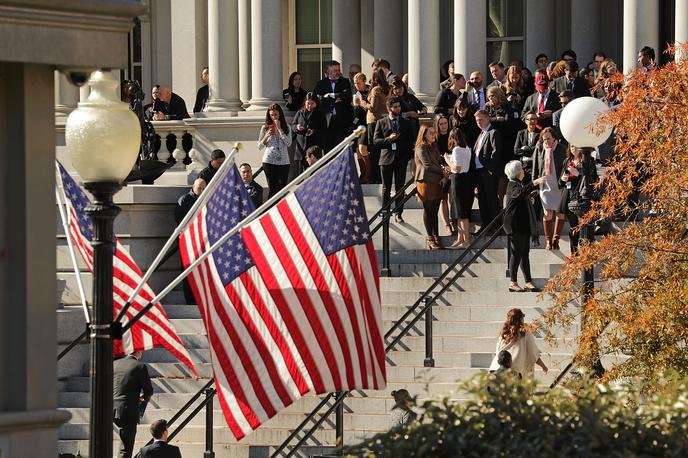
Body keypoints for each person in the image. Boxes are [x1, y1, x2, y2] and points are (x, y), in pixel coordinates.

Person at [503, 160, 546, 292]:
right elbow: (519, 194)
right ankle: (513, 282)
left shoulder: (518, 185)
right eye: (521, 169)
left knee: (524, 253)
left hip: (522, 224)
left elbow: (521, 196)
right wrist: (534, 183)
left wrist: (529, 198)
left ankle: (528, 281)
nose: (523, 171)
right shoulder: (512, 185)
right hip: (515, 225)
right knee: (516, 253)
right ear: (517, 172)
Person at [373, 97, 413, 223]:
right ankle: (385, 211)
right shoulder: (381, 122)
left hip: (401, 159)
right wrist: (389, 139)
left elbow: (410, 141)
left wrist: (406, 157)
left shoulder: (406, 122)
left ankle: (398, 212)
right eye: (395, 107)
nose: (398, 109)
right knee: (386, 188)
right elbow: (375, 141)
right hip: (386, 159)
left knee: (400, 188)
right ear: (389, 108)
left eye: (399, 106)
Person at [113, 350, 153, 458]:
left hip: (112, 407)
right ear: (139, 352)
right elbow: (148, 390)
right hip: (128, 410)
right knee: (126, 448)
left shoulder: (115, 364)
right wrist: (142, 399)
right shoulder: (140, 366)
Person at [532, 127, 567, 250]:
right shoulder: (540, 148)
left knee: (560, 212)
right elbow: (535, 166)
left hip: (559, 183)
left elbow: (567, 165)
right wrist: (535, 184)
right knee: (547, 213)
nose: (546, 141)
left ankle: (556, 240)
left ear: (554, 138)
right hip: (545, 183)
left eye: (548, 139)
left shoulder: (562, 148)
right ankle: (548, 241)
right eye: (544, 139)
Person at [415, 124, 449, 250]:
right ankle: (430, 238)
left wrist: (445, 168)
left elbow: (439, 161)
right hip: (426, 181)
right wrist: (443, 172)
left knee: (434, 211)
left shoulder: (434, 146)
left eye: (434, 132)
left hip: (436, 182)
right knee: (428, 210)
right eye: (431, 133)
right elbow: (428, 165)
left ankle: (436, 235)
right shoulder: (421, 147)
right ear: (424, 134)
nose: (434, 135)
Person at [489, 308, 548, 377]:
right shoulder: (524, 333)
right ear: (520, 319)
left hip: (494, 369)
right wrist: (543, 366)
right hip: (511, 371)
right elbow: (533, 354)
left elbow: (498, 352)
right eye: (522, 317)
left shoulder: (504, 333)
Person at [357, 68, 391, 184]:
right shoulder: (388, 89)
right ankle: (380, 176)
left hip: (374, 121)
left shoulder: (376, 89)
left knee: (374, 150)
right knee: (381, 149)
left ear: (375, 78)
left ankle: (375, 177)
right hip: (385, 120)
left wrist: (361, 102)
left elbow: (373, 107)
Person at [514, 111, 542, 247]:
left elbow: (538, 150)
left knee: (534, 194)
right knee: (524, 193)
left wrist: (526, 149)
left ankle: (535, 222)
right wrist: (528, 149)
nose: (532, 121)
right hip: (523, 167)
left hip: (535, 166)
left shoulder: (540, 134)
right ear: (525, 121)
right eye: (530, 119)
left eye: (535, 119)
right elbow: (516, 150)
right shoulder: (520, 133)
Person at [473, 109, 502, 232]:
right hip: (479, 172)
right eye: (477, 120)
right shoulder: (481, 133)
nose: (478, 122)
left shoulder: (493, 132)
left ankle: (496, 226)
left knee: (491, 200)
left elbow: (497, 152)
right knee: (483, 200)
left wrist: (490, 169)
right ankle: (486, 225)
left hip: (487, 172)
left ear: (488, 118)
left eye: (481, 119)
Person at [313, 60, 353, 149]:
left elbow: (347, 96)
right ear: (328, 72)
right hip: (326, 121)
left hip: (341, 120)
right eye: (335, 71)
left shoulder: (345, 82)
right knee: (328, 148)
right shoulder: (321, 84)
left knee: (339, 148)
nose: (338, 72)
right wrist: (336, 99)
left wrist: (332, 95)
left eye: (339, 70)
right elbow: (319, 100)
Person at [446, 128, 474, 249]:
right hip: (466, 179)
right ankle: (460, 238)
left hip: (458, 179)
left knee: (461, 211)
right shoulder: (467, 149)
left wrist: (447, 159)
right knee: (458, 210)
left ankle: (466, 240)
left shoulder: (457, 149)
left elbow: (456, 168)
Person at [258, 103, 292, 197]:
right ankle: (271, 209)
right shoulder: (264, 128)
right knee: (272, 189)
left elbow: (288, 143)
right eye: (271, 115)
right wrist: (266, 136)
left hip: (284, 162)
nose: (274, 117)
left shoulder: (287, 127)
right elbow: (259, 146)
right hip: (269, 161)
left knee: (282, 189)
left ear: (280, 114)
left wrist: (280, 129)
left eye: (276, 115)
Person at [291, 92, 326, 175]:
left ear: (316, 103)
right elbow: (293, 126)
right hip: (301, 148)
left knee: (314, 173)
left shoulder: (320, 114)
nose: (310, 106)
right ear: (305, 103)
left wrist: (314, 131)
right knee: (300, 174)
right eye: (308, 103)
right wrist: (297, 127)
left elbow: (323, 129)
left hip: (313, 148)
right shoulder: (300, 113)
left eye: (312, 103)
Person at [434, 114, 453, 235]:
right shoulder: (434, 138)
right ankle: (447, 224)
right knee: (443, 199)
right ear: (437, 125)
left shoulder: (453, 135)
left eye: (445, 123)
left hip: (453, 169)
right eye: (441, 123)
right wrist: (443, 170)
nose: (444, 126)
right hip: (440, 171)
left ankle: (455, 219)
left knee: (453, 197)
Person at [351, 72, 372, 182]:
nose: (357, 85)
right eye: (355, 83)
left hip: (367, 124)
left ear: (364, 81)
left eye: (359, 83)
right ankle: (363, 174)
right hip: (357, 124)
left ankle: (369, 174)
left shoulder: (369, 92)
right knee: (357, 150)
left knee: (362, 148)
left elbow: (370, 108)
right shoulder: (356, 93)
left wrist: (360, 103)